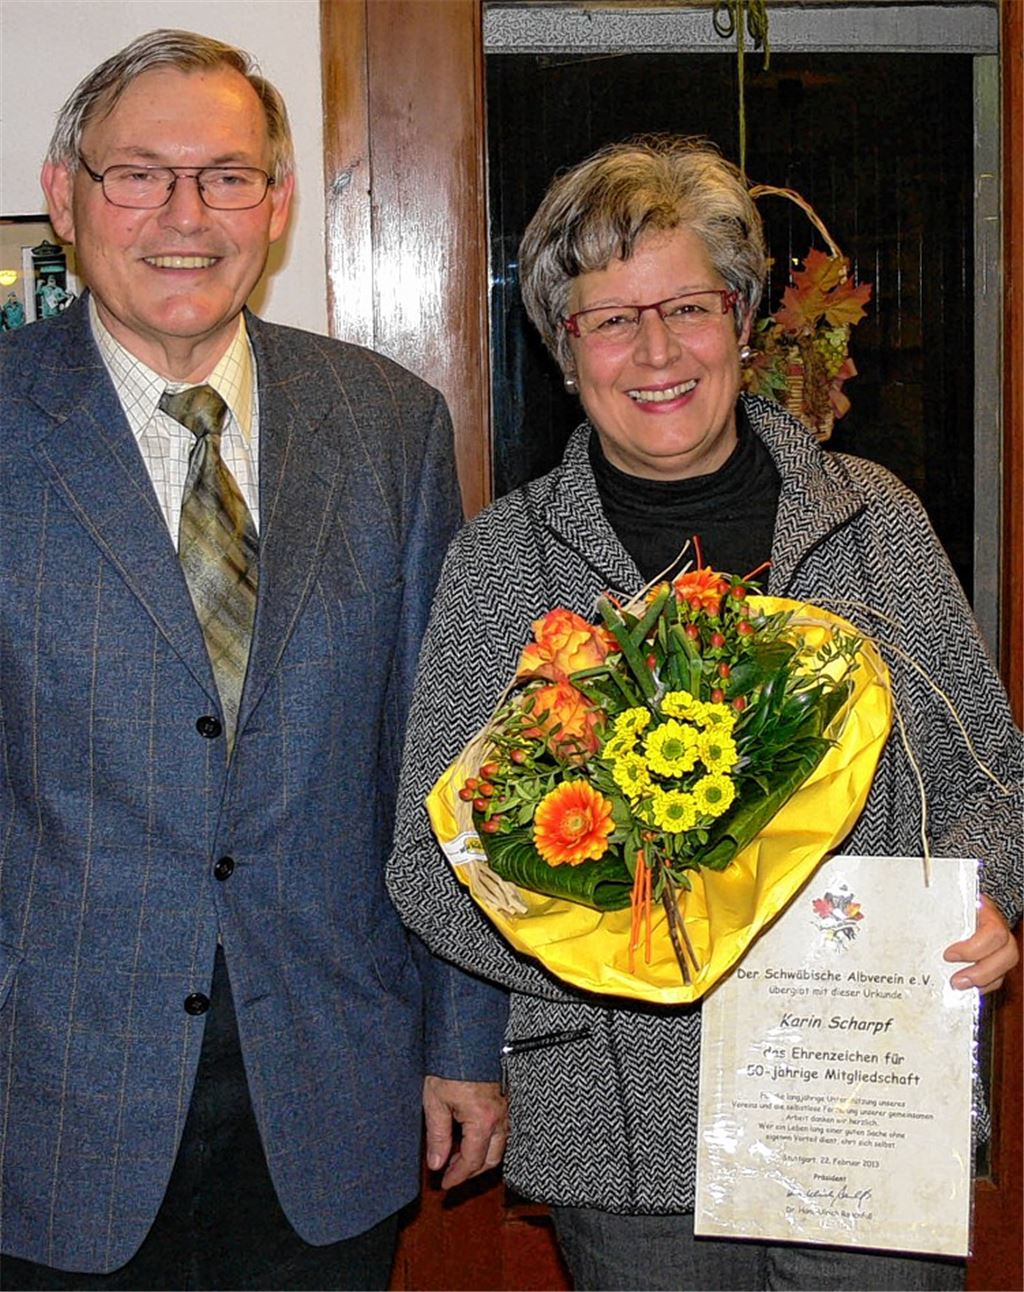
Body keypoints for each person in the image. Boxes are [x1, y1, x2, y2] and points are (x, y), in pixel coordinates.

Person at [388, 136, 1022, 1291]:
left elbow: (995, 778)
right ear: (564, 348)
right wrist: (599, 948)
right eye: (610, 318)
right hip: (625, 1132)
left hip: (858, 1108)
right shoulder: (502, 565)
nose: (657, 350)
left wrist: (982, 897)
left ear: (739, 320)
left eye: (686, 305)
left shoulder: (873, 522)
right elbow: (430, 862)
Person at [0, 29, 507, 1291]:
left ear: (276, 206)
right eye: (140, 175)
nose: (186, 214)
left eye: (227, 176)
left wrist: (466, 1036)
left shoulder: (387, 422)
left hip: (330, 1086)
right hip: (45, 1093)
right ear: (66, 195)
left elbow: (437, 757)